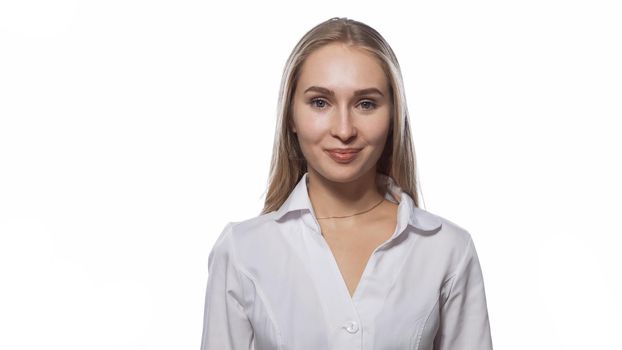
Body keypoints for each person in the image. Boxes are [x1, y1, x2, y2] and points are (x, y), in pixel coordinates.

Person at [200, 17, 493, 350]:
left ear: (393, 115)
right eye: (320, 103)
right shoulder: (243, 250)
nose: (344, 129)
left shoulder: (447, 250)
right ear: (291, 117)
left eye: (366, 103)